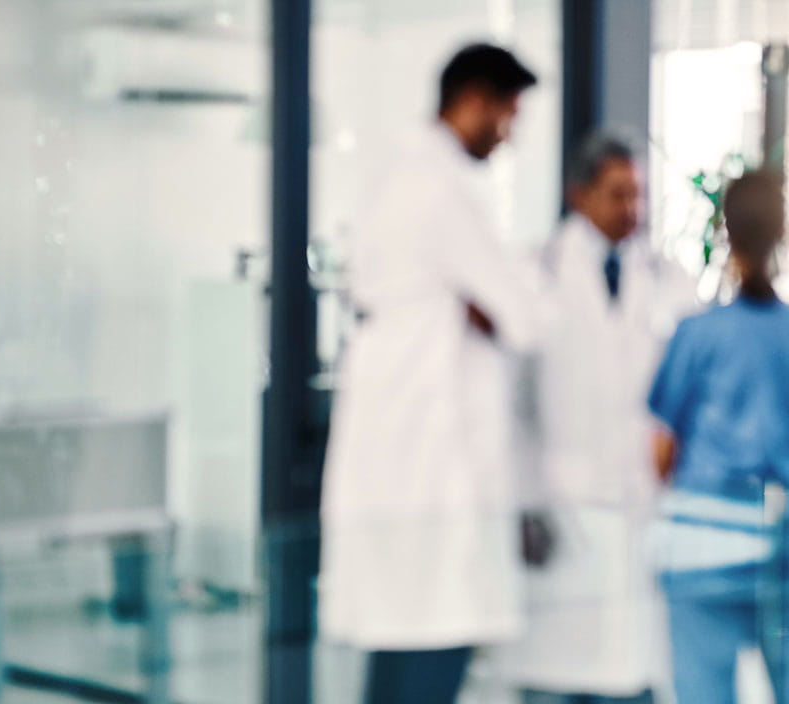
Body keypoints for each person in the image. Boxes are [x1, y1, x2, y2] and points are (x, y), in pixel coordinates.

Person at [321, 43, 542, 704]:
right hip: (430, 477)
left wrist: (484, 306)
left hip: (403, 468)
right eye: (508, 115)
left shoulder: (397, 181)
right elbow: (527, 316)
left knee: (400, 654)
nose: (510, 134)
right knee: (429, 650)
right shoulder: (440, 191)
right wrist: (486, 306)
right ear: (474, 101)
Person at [496, 132, 698, 703]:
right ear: (578, 195)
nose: (632, 209)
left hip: (640, 504)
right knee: (555, 679)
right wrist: (523, 502)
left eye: (638, 195)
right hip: (559, 504)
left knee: (634, 673)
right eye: (617, 195)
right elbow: (510, 406)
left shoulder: (667, 277)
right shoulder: (533, 272)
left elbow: (689, 389)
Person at [648, 171, 789, 704]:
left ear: (726, 233)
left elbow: (663, 448)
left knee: (703, 692)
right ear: (783, 236)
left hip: (705, 535)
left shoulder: (698, 335)